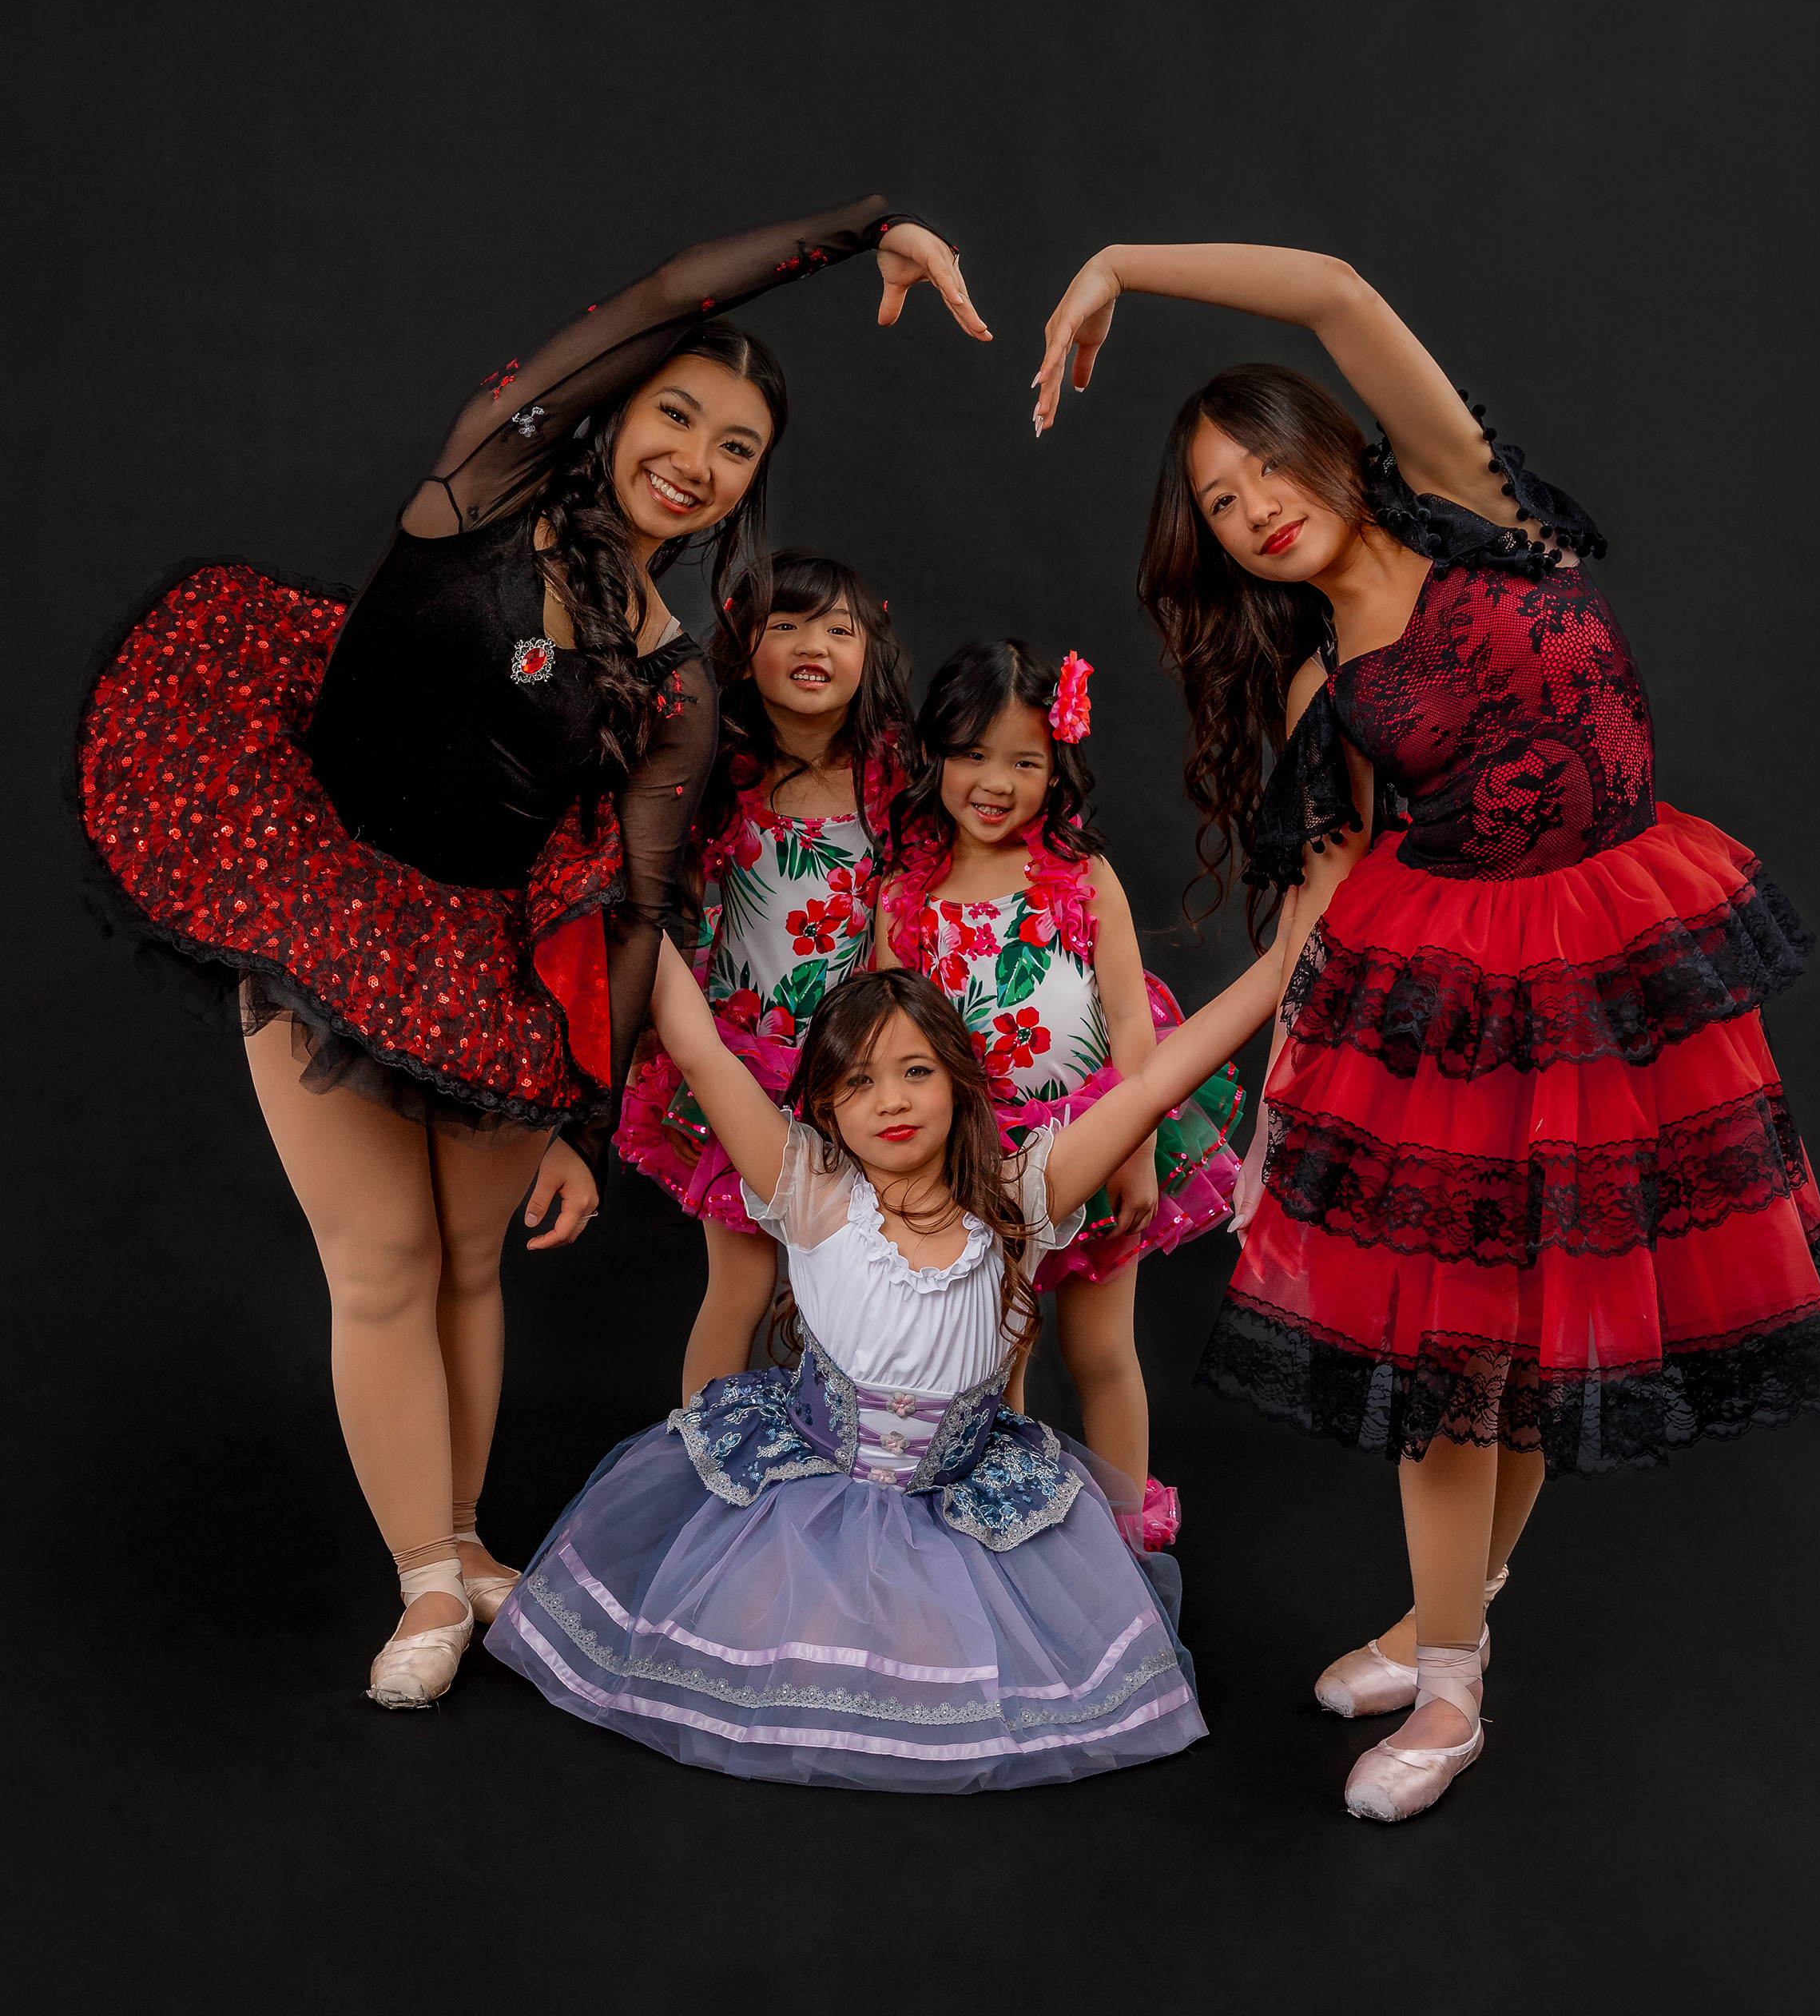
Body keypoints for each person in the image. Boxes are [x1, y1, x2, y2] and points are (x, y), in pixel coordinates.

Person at [74, 197, 988, 1711]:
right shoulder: (483, 487)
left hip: (491, 968)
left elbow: (638, 906)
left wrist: (581, 1117)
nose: (694, 458)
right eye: (675, 415)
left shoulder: (676, 682)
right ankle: (426, 1583)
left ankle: (460, 1540)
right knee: (380, 1263)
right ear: (616, 408)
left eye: (737, 448)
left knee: (466, 1264)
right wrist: (867, 226)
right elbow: (673, 287)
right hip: (327, 896)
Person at [1028, 240, 1820, 1819]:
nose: (1258, 507)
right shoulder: (1322, 687)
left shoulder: (1478, 503)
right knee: (1455, 1357)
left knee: (1536, 1338)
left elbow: (1336, 293)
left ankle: (1443, 1634)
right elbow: (1316, 924)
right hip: (1460, 1000)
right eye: (1220, 502)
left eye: (1269, 465)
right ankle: (1450, 1669)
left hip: (1611, 962)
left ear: (1334, 446)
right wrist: (1267, 1117)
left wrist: (1123, 265)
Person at [484, 938, 1289, 1791]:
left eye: (916, 1072)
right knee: (779, 1650)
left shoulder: (1022, 1196)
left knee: (947, 1677)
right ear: (826, 1107)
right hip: (808, 1502)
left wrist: (1288, 961)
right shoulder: (808, 1186)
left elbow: (1159, 1081)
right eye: (859, 1081)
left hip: (956, 1508)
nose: (892, 1101)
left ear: (960, 1082)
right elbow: (698, 1048)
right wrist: (629, 902)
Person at [870, 638, 1243, 1544]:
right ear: (935, 754)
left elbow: (1130, 1021)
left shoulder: (1080, 876)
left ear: (1057, 767)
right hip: (970, 1163)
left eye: (1024, 762)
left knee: (1101, 1350)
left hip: (1092, 1140)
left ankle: (1127, 1541)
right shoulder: (908, 894)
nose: (995, 783)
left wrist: (1136, 1150)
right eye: (972, 755)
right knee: (992, 1357)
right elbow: (886, 1041)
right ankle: (997, 1534)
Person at [612, 550, 913, 1405]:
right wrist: (656, 1053)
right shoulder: (720, 773)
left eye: (838, 629)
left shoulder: (897, 780)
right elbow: (669, 910)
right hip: (741, 1064)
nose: (813, 645)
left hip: (857, 1067)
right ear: (744, 650)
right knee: (740, 1284)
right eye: (786, 626)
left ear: (869, 652)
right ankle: (706, 1460)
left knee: (860, 1281)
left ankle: (855, 1460)